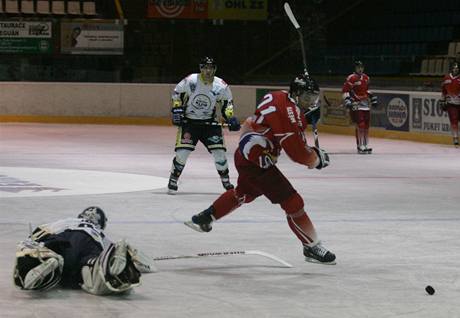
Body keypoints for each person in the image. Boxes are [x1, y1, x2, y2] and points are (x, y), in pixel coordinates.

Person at [184, 74, 336, 265]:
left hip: (246, 155)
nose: (310, 103)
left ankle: (206, 217)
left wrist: (301, 120)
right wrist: (316, 159)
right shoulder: (289, 113)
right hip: (258, 162)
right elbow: (296, 152)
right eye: (306, 98)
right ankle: (311, 246)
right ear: (296, 95)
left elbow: (279, 123)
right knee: (293, 202)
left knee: (244, 193)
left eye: (313, 98)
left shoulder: (279, 96)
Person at [13, 207, 155, 295]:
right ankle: (95, 267)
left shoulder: (68, 221)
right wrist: (135, 260)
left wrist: (35, 244)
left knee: (42, 250)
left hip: (62, 239)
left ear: (81, 215)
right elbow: (116, 253)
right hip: (89, 242)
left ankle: (43, 260)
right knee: (92, 262)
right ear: (101, 223)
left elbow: (42, 231)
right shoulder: (99, 233)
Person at [167, 56, 241, 194]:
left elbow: (227, 103)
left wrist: (230, 117)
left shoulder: (221, 85)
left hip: (210, 124)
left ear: (215, 69)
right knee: (182, 153)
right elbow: (177, 94)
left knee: (219, 153)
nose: (208, 71)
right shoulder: (190, 81)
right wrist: (177, 109)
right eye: (205, 68)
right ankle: (173, 178)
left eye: (211, 68)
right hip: (190, 123)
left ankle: (226, 180)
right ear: (200, 69)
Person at [342, 61, 378, 154]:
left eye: (361, 67)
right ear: (355, 68)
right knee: (360, 124)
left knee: (366, 125)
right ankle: (360, 146)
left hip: (366, 104)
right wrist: (347, 100)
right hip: (356, 104)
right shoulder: (351, 78)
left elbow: (367, 90)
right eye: (358, 67)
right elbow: (346, 90)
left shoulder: (366, 78)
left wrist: (372, 97)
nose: (360, 69)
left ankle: (366, 145)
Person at [440, 61, 460, 147]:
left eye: (457, 68)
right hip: (451, 104)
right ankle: (455, 138)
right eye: (454, 68)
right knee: (454, 121)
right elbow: (443, 91)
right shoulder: (446, 78)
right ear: (451, 69)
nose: (455, 69)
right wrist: (442, 100)